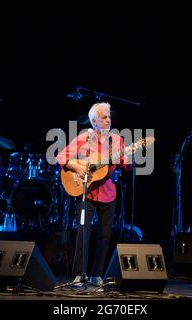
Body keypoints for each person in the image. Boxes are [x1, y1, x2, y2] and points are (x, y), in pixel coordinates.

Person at [56, 102, 132, 286]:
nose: (109, 120)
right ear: (94, 122)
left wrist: (128, 154)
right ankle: (78, 275)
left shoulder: (117, 140)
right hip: (86, 191)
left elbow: (127, 167)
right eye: (104, 117)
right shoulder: (84, 138)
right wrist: (75, 165)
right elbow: (60, 157)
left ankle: (97, 275)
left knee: (105, 234)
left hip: (108, 192)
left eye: (109, 117)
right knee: (83, 231)